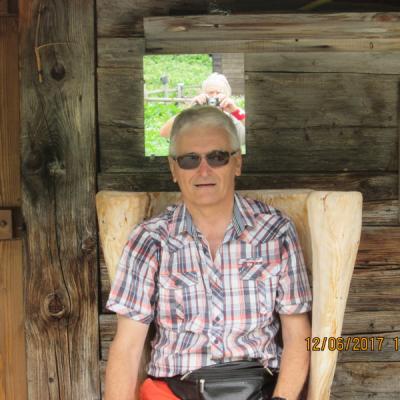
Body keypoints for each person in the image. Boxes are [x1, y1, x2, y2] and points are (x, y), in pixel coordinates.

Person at [105, 106, 312, 400]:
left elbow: (298, 334)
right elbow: (126, 347)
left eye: (217, 157)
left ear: (236, 163)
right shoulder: (150, 239)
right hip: (175, 390)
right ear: (174, 169)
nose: (204, 170)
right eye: (190, 159)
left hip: (259, 389)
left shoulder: (276, 231)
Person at [160, 73, 246, 146]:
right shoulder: (194, 117)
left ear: (226, 96)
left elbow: (253, 130)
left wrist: (235, 111)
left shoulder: (234, 117)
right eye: (210, 93)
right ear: (204, 95)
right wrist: (190, 110)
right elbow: (164, 133)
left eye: (219, 93)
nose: (214, 97)